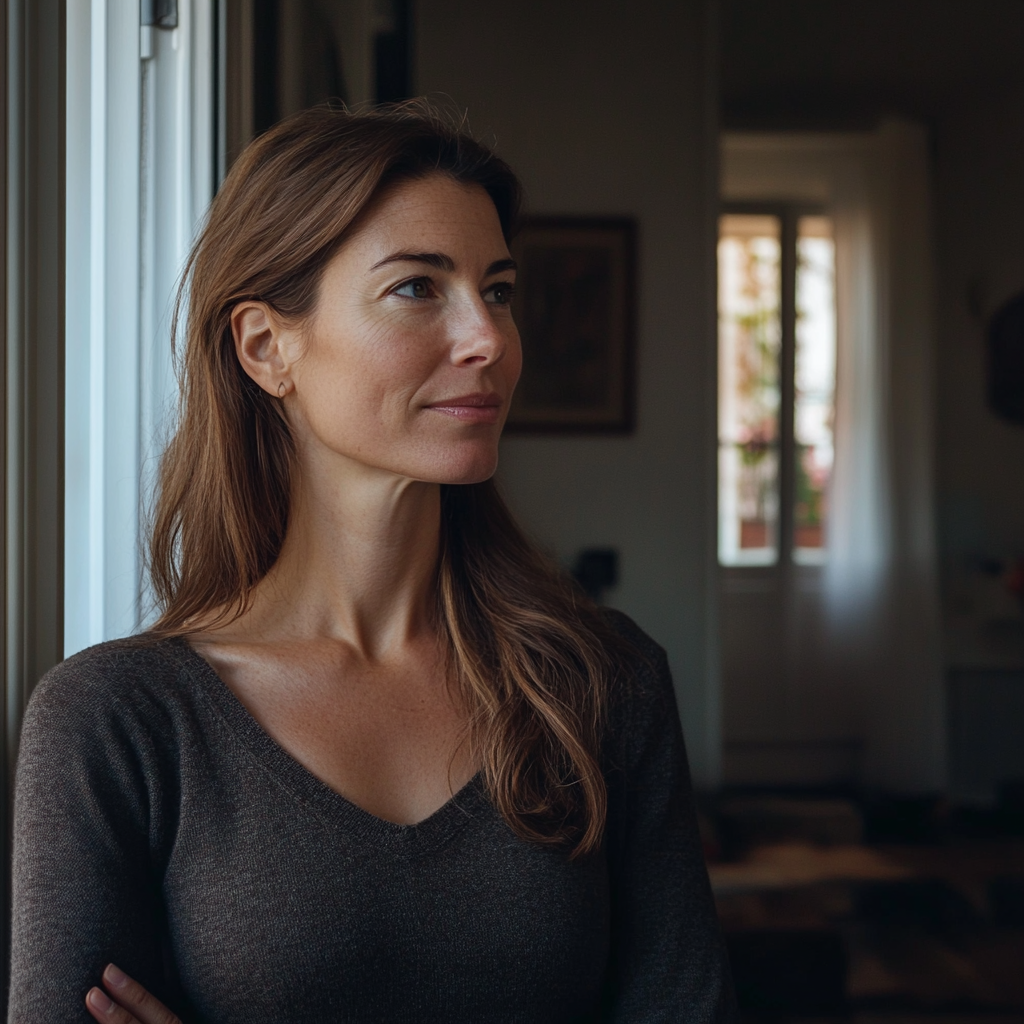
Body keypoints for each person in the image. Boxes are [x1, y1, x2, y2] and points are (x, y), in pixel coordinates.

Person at [9, 103, 735, 1024]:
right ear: (268, 348)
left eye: (499, 290)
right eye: (418, 289)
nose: (490, 340)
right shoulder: (119, 722)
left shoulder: (602, 684)